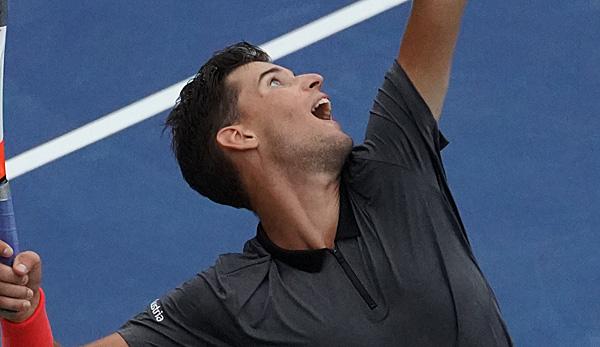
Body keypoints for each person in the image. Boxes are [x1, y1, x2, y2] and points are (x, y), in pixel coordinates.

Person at [0, 0, 514, 345]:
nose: (313, 77)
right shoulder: (229, 298)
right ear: (239, 136)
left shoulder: (395, 168)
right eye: (276, 82)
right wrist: (23, 318)